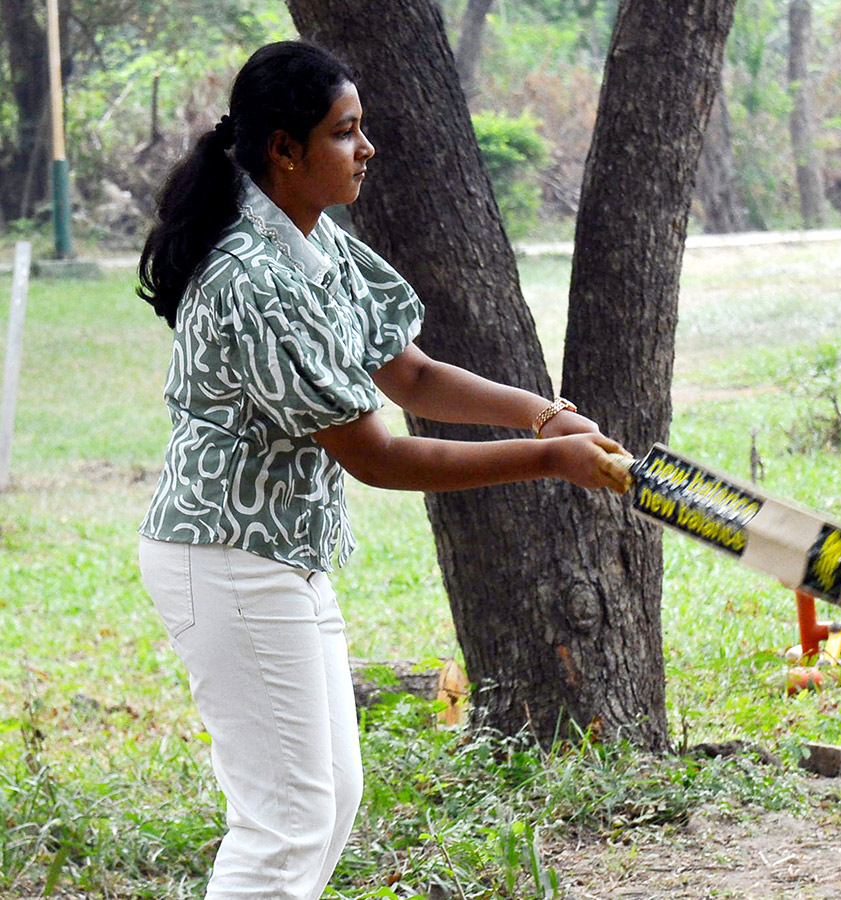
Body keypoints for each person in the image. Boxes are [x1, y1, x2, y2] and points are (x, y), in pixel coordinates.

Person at [136, 40, 629, 900]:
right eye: (345, 132)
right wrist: (551, 458)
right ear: (284, 150)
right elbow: (378, 454)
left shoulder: (315, 242)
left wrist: (541, 410)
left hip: (281, 558)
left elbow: (410, 373)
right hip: (227, 562)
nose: (366, 149)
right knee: (285, 820)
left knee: (328, 803)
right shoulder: (254, 278)